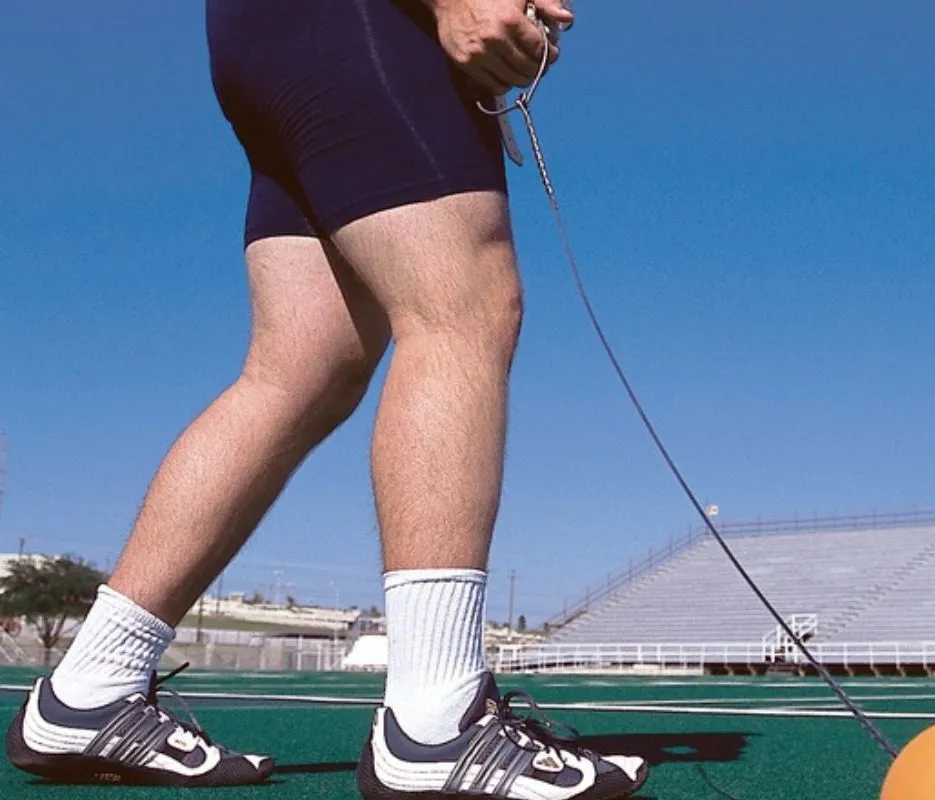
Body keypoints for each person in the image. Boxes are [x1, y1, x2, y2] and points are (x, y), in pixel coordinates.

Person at [5, 1, 649, 797]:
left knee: (300, 372)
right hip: (357, 22)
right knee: (461, 309)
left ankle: (90, 689)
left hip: (275, 37)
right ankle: (435, 724)